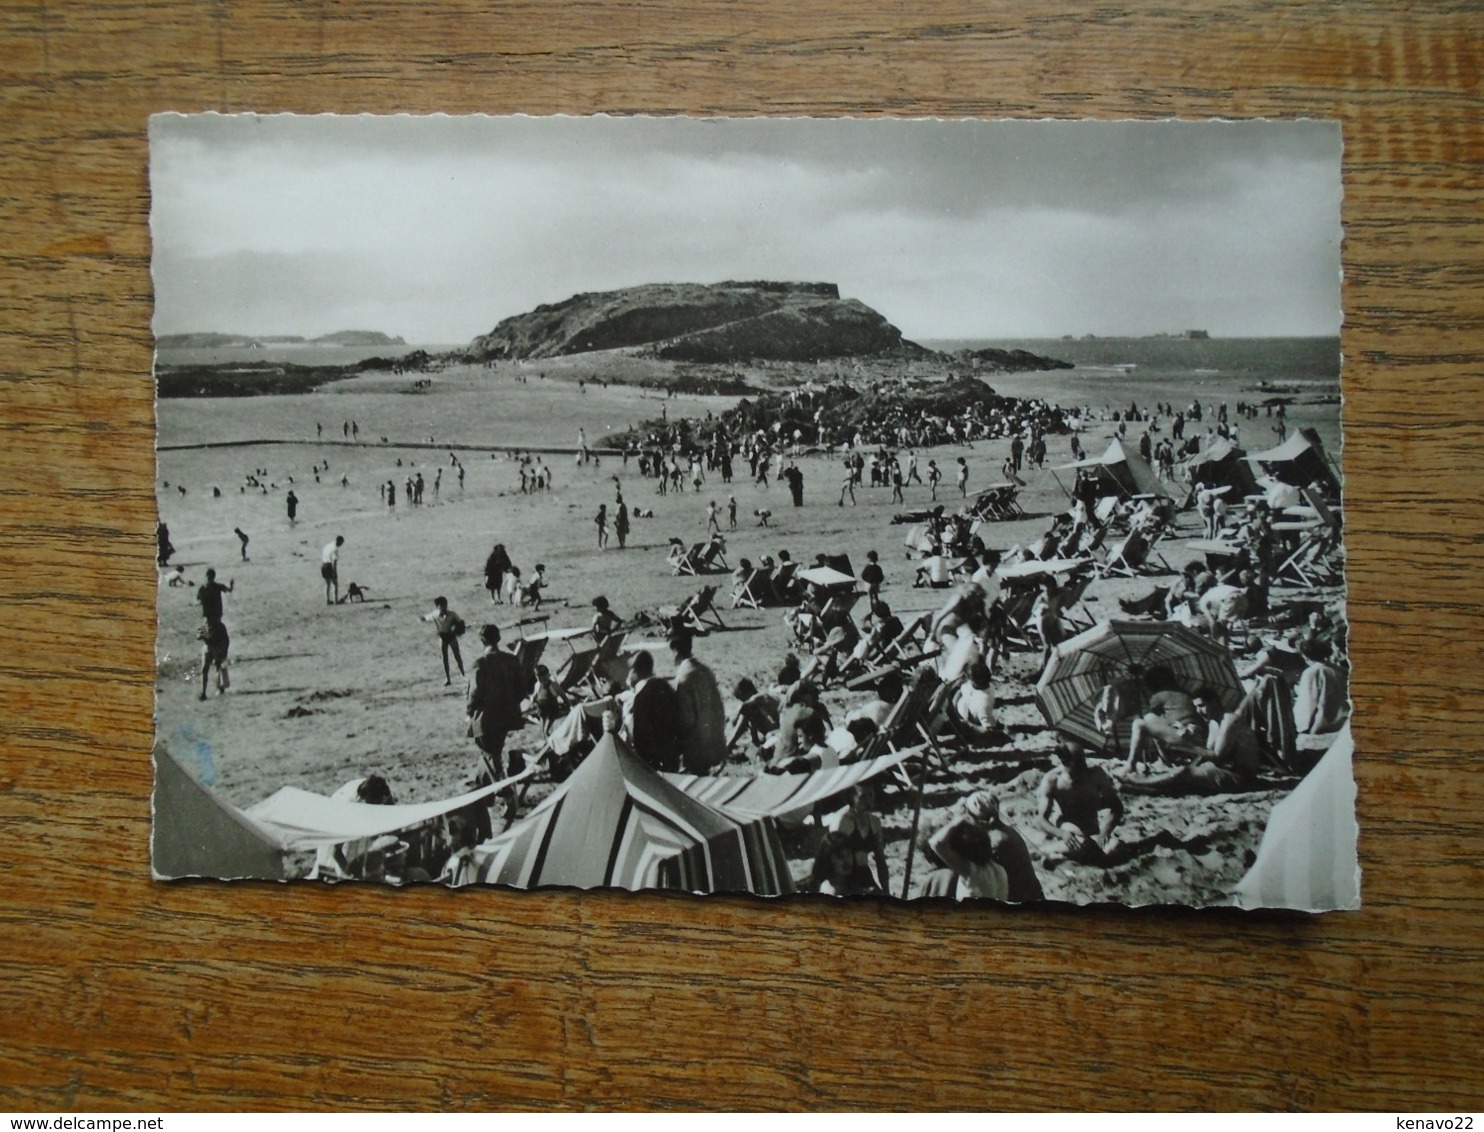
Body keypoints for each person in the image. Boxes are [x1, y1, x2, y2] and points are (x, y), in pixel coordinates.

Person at [1124, 686, 1264, 796]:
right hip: (1224, 771)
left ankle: (1138, 783)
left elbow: (1217, 756)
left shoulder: (1230, 720)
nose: (1198, 711)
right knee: (1182, 777)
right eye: (1196, 706)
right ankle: (1139, 787)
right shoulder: (1214, 722)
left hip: (1242, 778)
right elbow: (1208, 755)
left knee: (1184, 773)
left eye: (1201, 705)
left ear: (1214, 702)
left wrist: (1189, 746)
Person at [465, 624, 528, 820]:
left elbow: (475, 692)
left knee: (489, 752)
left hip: (486, 716)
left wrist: (469, 710)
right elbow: (522, 688)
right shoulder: (511, 660)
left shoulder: (480, 663)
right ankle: (484, 790)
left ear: (482, 640)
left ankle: (506, 795)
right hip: (505, 716)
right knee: (492, 751)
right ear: (498, 638)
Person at [1033, 739, 1124, 865]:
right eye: (1078, 764)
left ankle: (1061, 855)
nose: (1083, 767)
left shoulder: (1096, 775)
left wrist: (1105, 831)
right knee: (1083, 844)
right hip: (1069, 828)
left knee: (1115, 846)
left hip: (1093, 831)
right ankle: (1047, 851)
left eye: (1084, 761)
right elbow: (1040, 820)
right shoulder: (1052, 780)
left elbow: (1117, 807)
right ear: (1065, 762)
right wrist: (1062, 834)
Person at [668, 629, 727, 773]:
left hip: (695, 746)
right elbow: (719, 708)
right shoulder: (705, 671)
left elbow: (686, 718)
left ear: (675, 651)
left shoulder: (683, 677)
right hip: (712, 739)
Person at [1124, 667, 1204, 772]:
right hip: (1196, 737)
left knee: (1141, 722)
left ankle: (1130, 765)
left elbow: (1147, 718)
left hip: (1182, 737)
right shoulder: (1185, 692)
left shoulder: (1159, 696)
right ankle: (1164, 760)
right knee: (1157, 722)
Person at [625, 650, 682, 773]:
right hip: (672, 759)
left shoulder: (641, 698)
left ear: (634, 672)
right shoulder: (665, 686)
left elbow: (640, 740)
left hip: (653, 768)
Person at [1294, 638, 1348, 735]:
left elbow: (1307, 706)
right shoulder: (1339, 669)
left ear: (1305, 656)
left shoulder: (1311, 672)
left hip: (1326, 722)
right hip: (1344, 718)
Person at [421, 596, 467, 685]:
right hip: (442, 637)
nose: (444, 607)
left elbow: (461, 622)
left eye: (445, 605)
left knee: (457, 656)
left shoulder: (452, 614)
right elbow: (426, 617)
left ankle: (463, 675)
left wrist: (459, 629)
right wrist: (422, 618)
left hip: (451, 635)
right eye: (442, 605)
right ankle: (448, 679)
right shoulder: (435, 614)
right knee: (444, 658)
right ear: (438, 606)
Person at [198, 616, 230, 701]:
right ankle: (203, 692)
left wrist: (223, 652)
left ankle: (219, 688)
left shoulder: (219, 626)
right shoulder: (205, 624)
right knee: (205, 669)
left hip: (216, 648)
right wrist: (200, 635)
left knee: (217, 668)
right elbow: (199, 634)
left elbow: (225, 640)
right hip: (208, 648)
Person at [321, 535, 344, 605]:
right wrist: (334, 571)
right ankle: (336, 600)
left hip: (323, 565)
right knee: (335, 584)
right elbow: (334, 561)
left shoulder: (328, 546)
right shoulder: (335, 549)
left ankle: (327, 600)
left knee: (327, 584)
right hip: (329, 566)